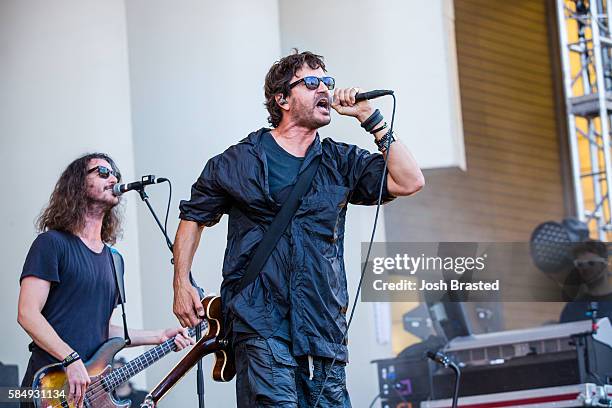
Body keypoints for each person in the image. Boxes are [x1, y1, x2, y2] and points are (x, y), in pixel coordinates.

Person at [173, 50, 425, 407]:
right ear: (282, 99)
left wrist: (372, 120)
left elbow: (409, 180)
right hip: (259, 320)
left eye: (328, 82)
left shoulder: (341, 161)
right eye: (311, 82)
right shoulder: (238, 161)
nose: (324, 88)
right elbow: (193, 217)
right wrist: (181, 282)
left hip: (322, 327)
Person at [17, 153, 195, 408]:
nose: (113, 178)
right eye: (102, 172)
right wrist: (70, 359)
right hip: (49, 386)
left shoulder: (114, 260)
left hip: (89, 394)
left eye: (115, 175)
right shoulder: (51, 244)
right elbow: (27, 313)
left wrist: (160, 335)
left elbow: (103, 330)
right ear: (78, 184)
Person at [560, 240, 612, 323]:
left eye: (591, 263)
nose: (586, 269)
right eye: (580, 265)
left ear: (605, 264)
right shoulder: (573, 308)